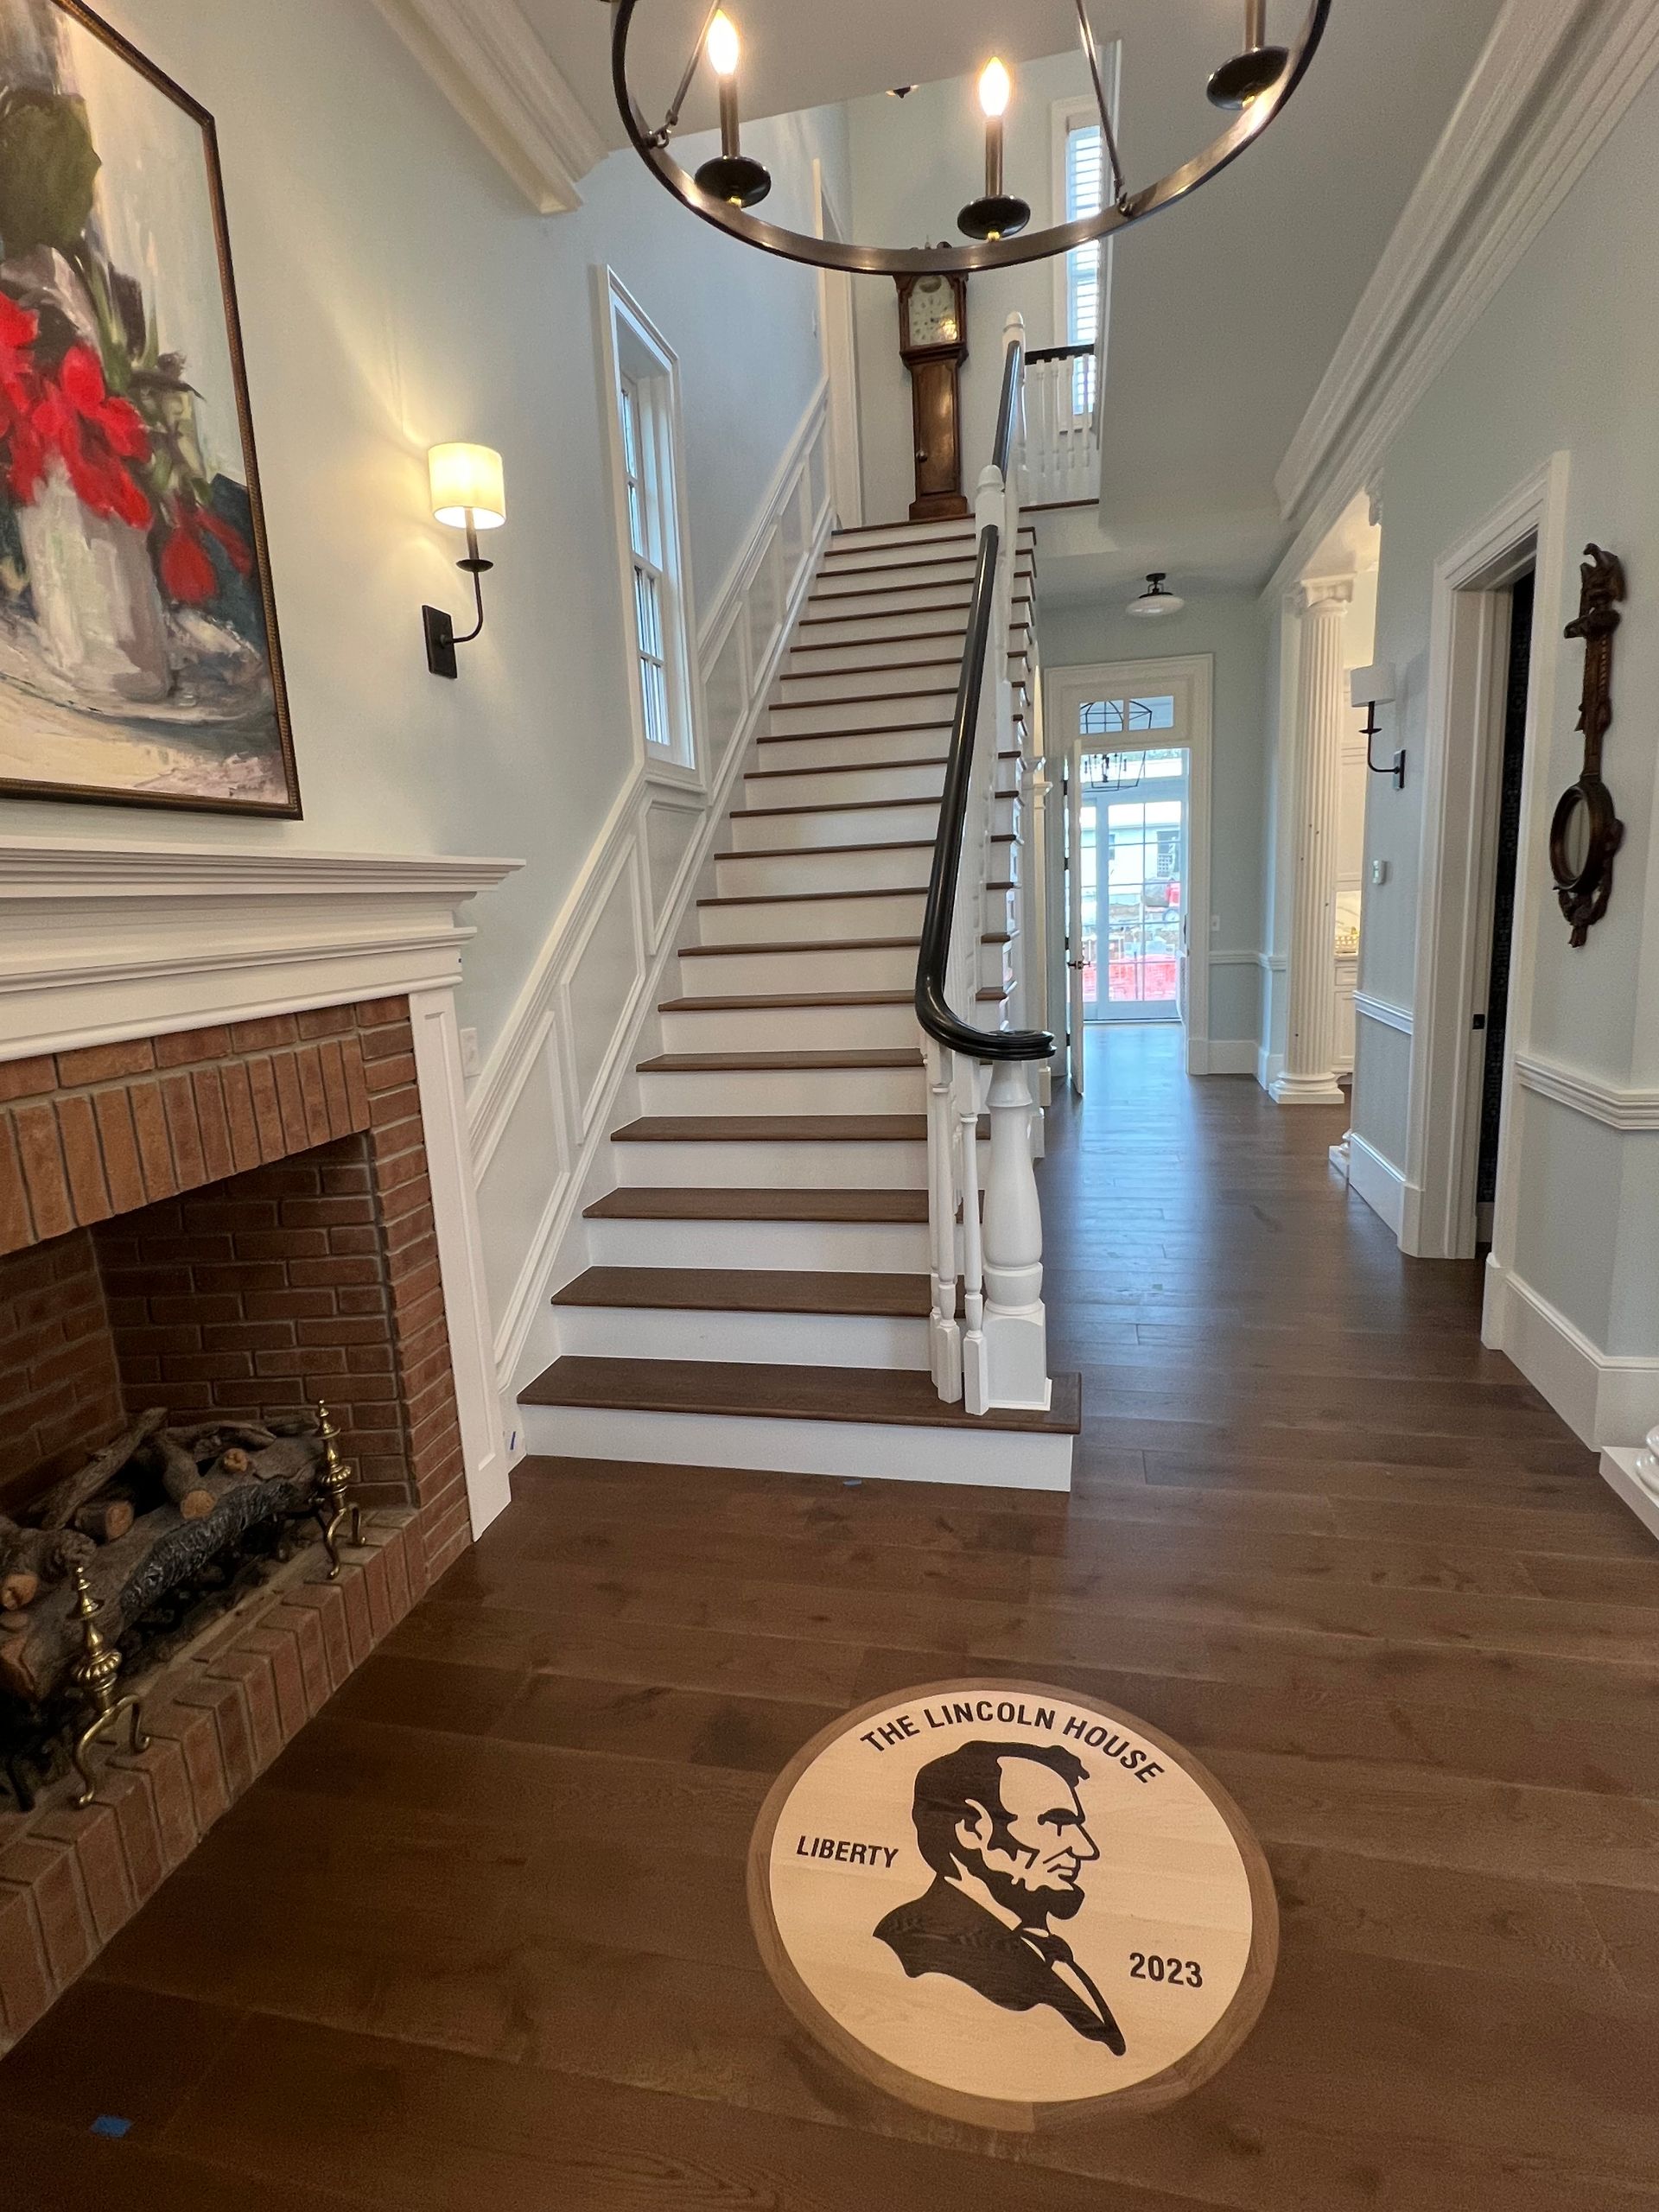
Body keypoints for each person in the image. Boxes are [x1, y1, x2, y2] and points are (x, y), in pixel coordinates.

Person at [874, 1739, 1125, 2052]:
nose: (1086, 1849)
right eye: (1058, 1824)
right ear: (972, 1829)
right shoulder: (914, 1950)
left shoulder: (1049, 1950)